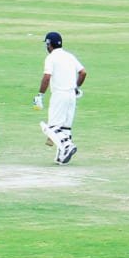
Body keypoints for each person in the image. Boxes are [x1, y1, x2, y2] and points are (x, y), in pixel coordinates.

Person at [33, 32, 86, 165]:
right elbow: (83, 72)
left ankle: (68, 145)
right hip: (71, 96)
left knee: (52, 127)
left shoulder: (51, 58)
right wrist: (76, 87)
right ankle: (61, 157)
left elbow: (47, 77)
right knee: (65, 128)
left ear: (49, 44)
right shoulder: (70, 56)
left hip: (59, 95)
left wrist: (40, 95)